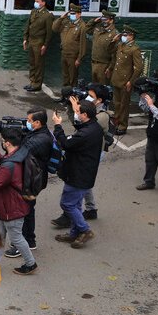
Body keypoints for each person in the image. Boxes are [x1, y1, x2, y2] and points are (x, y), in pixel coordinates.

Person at [0, 128, 37, 275]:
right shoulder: (19, 153)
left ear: (8, 143)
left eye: (2, 141)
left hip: (11, 208)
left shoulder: (10, 164)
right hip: (7, 206)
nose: (2, 143)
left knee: (17, 238)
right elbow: (5, 164)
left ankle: (31, 263)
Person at [51, 85, 110, 228]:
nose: (87, 97)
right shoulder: (90, 119)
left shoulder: (100, 117)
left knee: (73, 194)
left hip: (85, 158)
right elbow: (79, 123)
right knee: (81, 189)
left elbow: (70, 137)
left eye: (91, 96)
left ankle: (79, 225)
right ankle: (84, 217)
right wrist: (73, 108)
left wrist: (59, 126)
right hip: (83, 154)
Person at [52, 100, 102, 249]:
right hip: (84, 173)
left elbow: (65, 143)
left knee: (67, 204)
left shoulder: (85, 133)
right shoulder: (94, 127)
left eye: (78, 112)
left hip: (77, 174)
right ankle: (75, 232)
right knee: (76, 205)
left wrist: (58, 126)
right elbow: (80, 128)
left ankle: (85, 230)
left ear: (85, 114)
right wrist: (75, 111)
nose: (77, 113)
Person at [4, 108, 52, 258]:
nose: (27, 123)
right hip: (31, 177)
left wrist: (9, 140)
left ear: (38, 122)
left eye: (30, 121)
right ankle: (30, 240)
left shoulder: (41, 139)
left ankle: (22, 244)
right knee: (28, 210)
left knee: (23, 211)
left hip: (31, 181)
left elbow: (18, 154)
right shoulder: (37, 133)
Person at [107, 25, 143, 136]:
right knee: (116, 103)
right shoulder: (120, 45)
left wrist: (131, 81)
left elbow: (139, 68)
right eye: (123, 34)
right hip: (116, 79)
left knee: (124, 104)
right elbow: (110, 53)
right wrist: (113, 41)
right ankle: (116, 121)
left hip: (125, 82)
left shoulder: (134, 49)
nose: (123, 36)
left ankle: (122, 126)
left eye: (125, 35)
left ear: (131, 36)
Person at [23, 0, 53, 92]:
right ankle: (32, 81)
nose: (35, 3)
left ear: (43, 3)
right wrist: (25, 38)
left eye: (37, 1)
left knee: (38, 64)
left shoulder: (47, 15)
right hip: (31, 40)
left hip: (39, 42)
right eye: (35, 1)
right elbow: (28, 25)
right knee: (32, 63)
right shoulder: (33, 11)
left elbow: (49, 32)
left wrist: (45, 45)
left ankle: (37, 84)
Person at [52, 3, 87, 87]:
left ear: (79, 14)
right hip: (64, 53)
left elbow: (83, 44)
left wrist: (79, 59)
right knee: (65, 76)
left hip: (73, 56)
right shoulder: (66, 22)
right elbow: (54, 28)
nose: (71, 15)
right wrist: (61, 18)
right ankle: (65, 95)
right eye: (71, 13)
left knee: (72, 78)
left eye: (73, 14)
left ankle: (71, 97)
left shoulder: (82, 26)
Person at [85, 10, 118, 84]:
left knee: (102, 89)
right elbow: (86, 29)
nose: (104, 21)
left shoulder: (114, 34)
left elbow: (115, 54)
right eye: (102, 19)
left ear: (111, 20)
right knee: (94, 87)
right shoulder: (98, 29)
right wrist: (94, 21)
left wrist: (110, 68)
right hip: (94, 63)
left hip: (105, 65)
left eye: (106, 19)